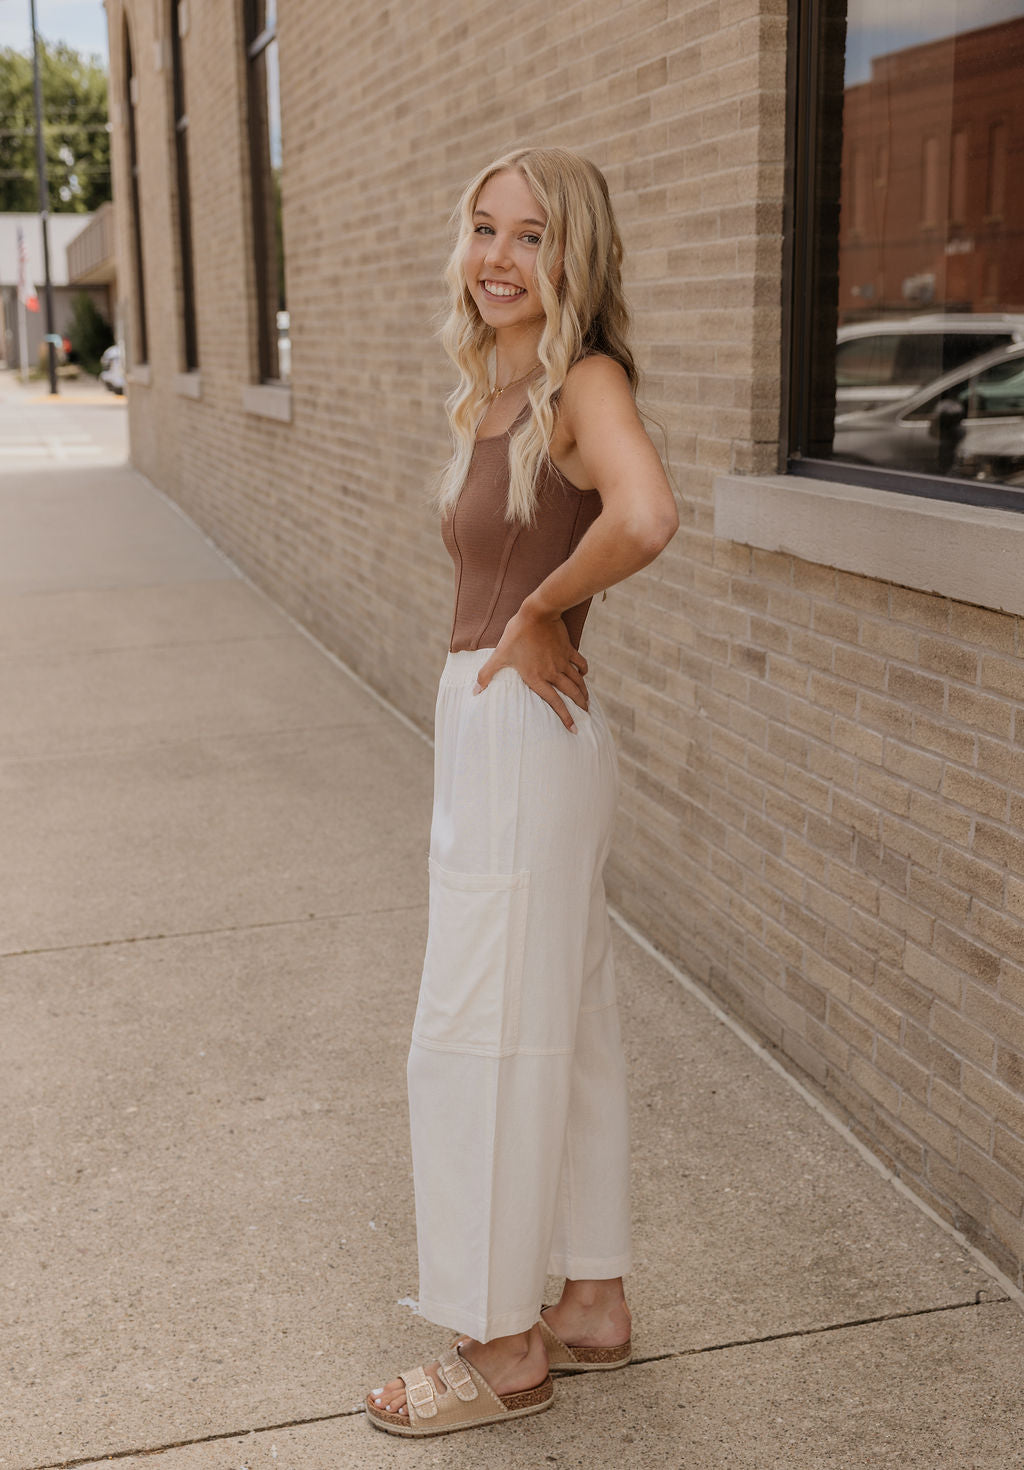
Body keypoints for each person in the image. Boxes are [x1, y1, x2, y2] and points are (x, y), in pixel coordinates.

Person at [366, 145, 678, 1438]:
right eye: (484, 227)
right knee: (568, 1015)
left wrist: (544, 606)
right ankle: (590, 1298)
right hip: (510, 733)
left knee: (477, 1030)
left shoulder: (582, 378)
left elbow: (644, 514)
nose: (498, 256)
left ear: (575, 253)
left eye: (532, 235)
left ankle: (500, 1346)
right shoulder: (500, 386)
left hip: (519, 732)